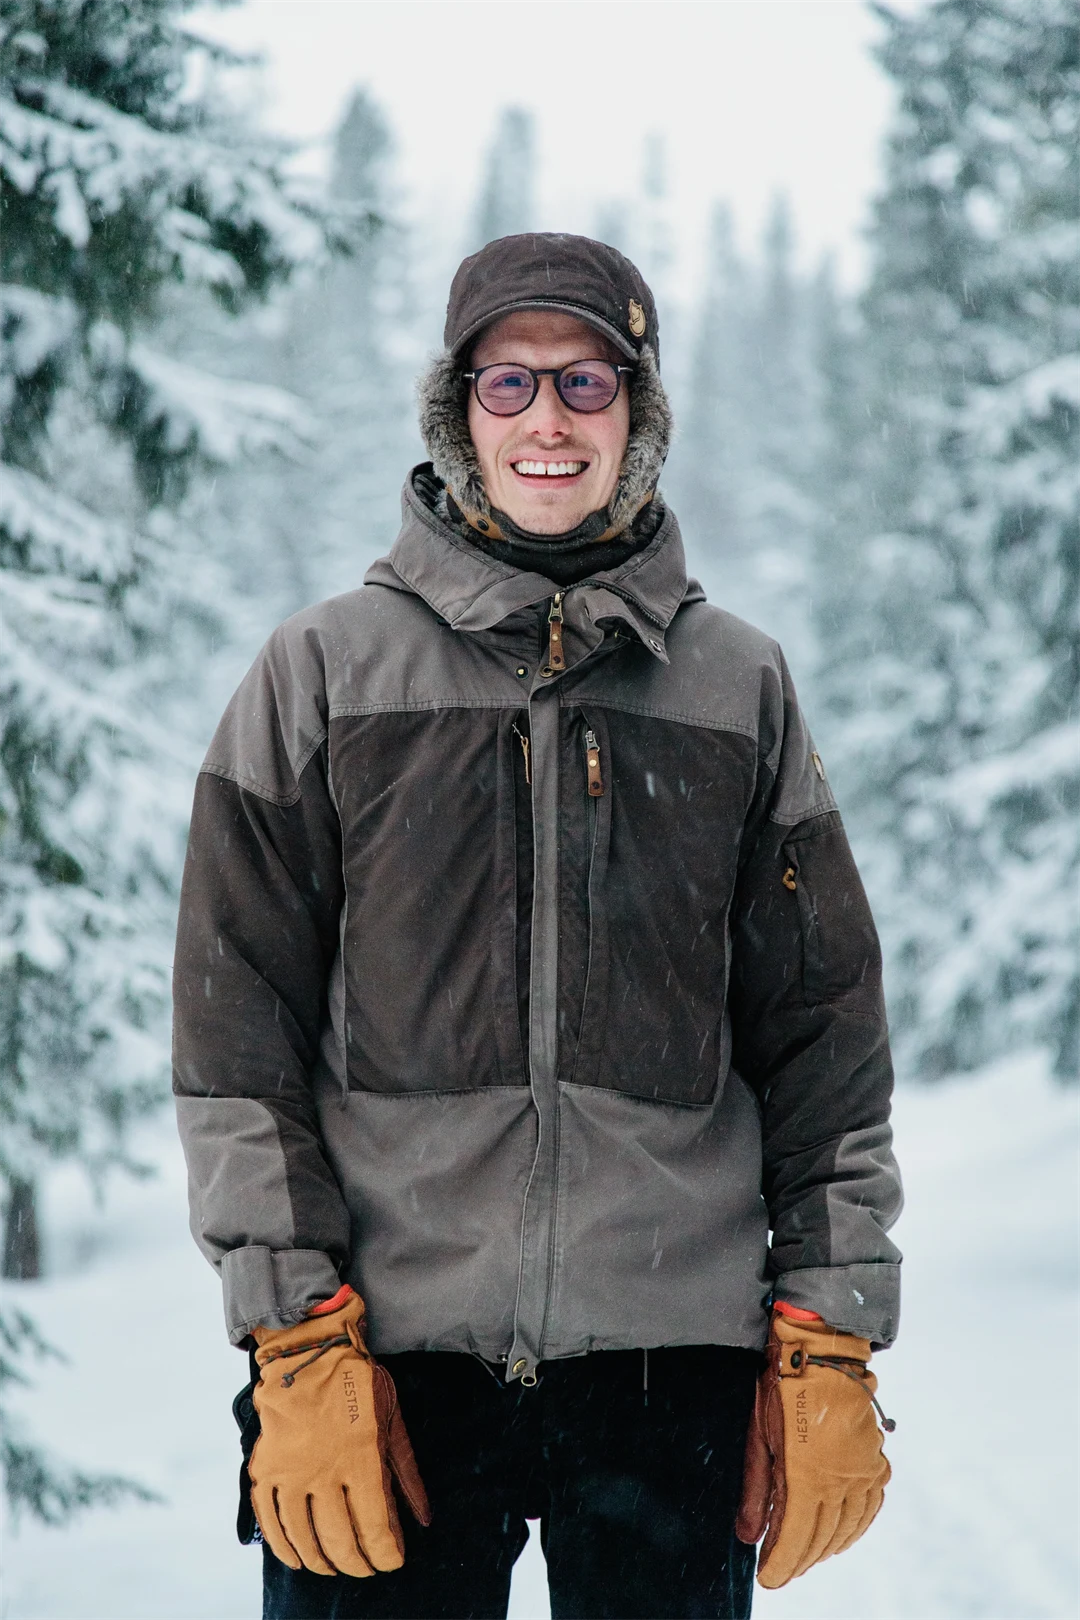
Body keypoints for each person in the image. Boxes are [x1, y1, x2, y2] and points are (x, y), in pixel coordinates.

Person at [173, 233, 902, 1620]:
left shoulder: (736, 685)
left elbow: (824, 1037)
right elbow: (234, 1029)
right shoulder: (324, 673)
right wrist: (293, 1330)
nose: (548, 419)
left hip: (670, 1374)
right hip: (384, 1362)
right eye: (509, 384)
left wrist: (828, 1328)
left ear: (638, 415)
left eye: (588, 381)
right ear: (459, 415)